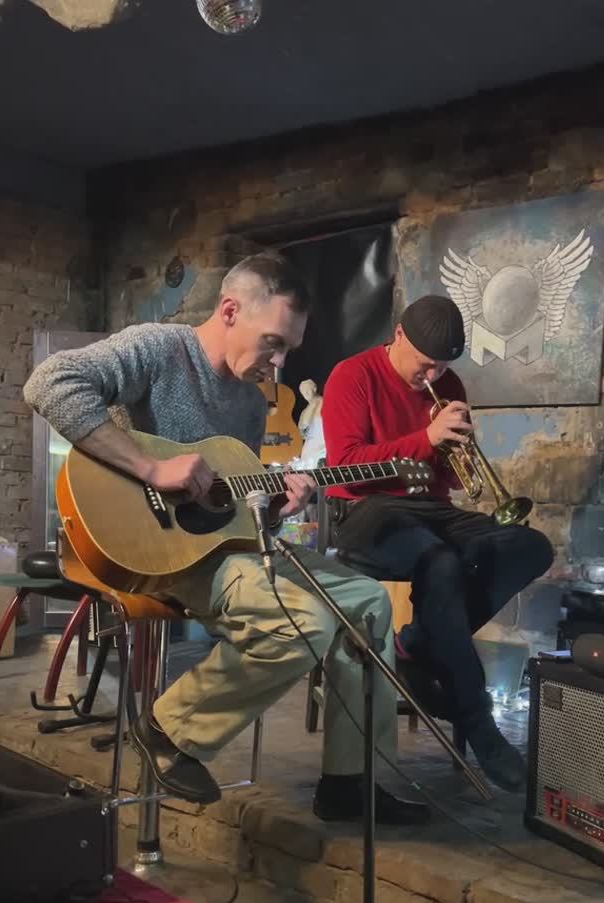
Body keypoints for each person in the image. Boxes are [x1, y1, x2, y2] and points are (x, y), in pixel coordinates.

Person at [23, 254, 429, 825]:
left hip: (226, 548)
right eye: (273, 343)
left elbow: (233, 507)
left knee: (366, 602)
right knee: (304, 622)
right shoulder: (160, 349)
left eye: (288, 349)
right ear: (231, 310)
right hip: (161, 549)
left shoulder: (248, 398)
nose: (279, 362)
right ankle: (170, 728)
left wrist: (276, 507)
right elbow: (49, 382)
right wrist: (152, 468)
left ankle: (349, 782)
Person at [321, 294, 554, 792]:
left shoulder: (448, 385)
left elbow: (445, 480)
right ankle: (479, 721)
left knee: (529, 546)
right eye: (425, 364)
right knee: (443, 563)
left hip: (429, 508)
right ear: (398, 336)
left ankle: (419, 643)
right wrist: (426, 438)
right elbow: (345, 466)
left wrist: (454, 449)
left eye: (442, 367)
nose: (432, 376)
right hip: (365, 510)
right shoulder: (352, 375)